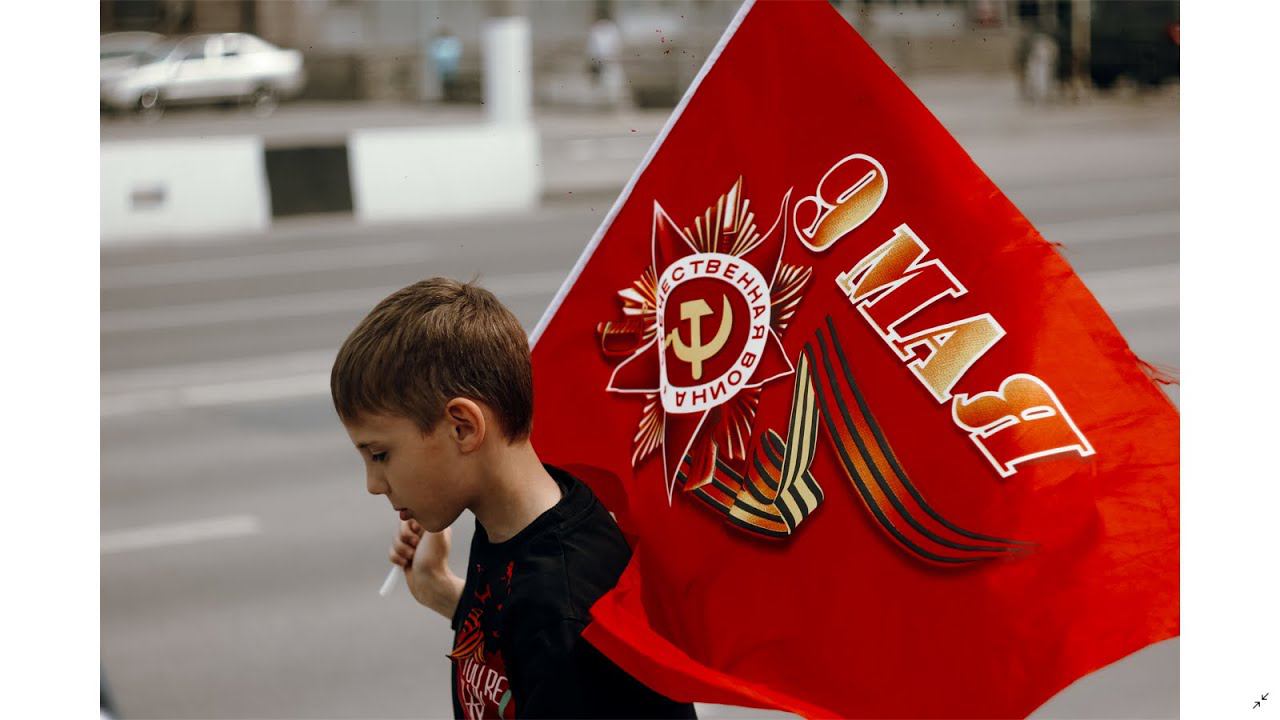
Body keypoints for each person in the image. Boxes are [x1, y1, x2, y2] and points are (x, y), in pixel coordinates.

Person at [330, 278, 697, 719]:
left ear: (463, 427)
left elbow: (549, 644)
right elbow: (514, 648)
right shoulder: (513, 523)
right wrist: (441, 591)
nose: (373, 483)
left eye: (380, 455)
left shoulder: (565, 611)